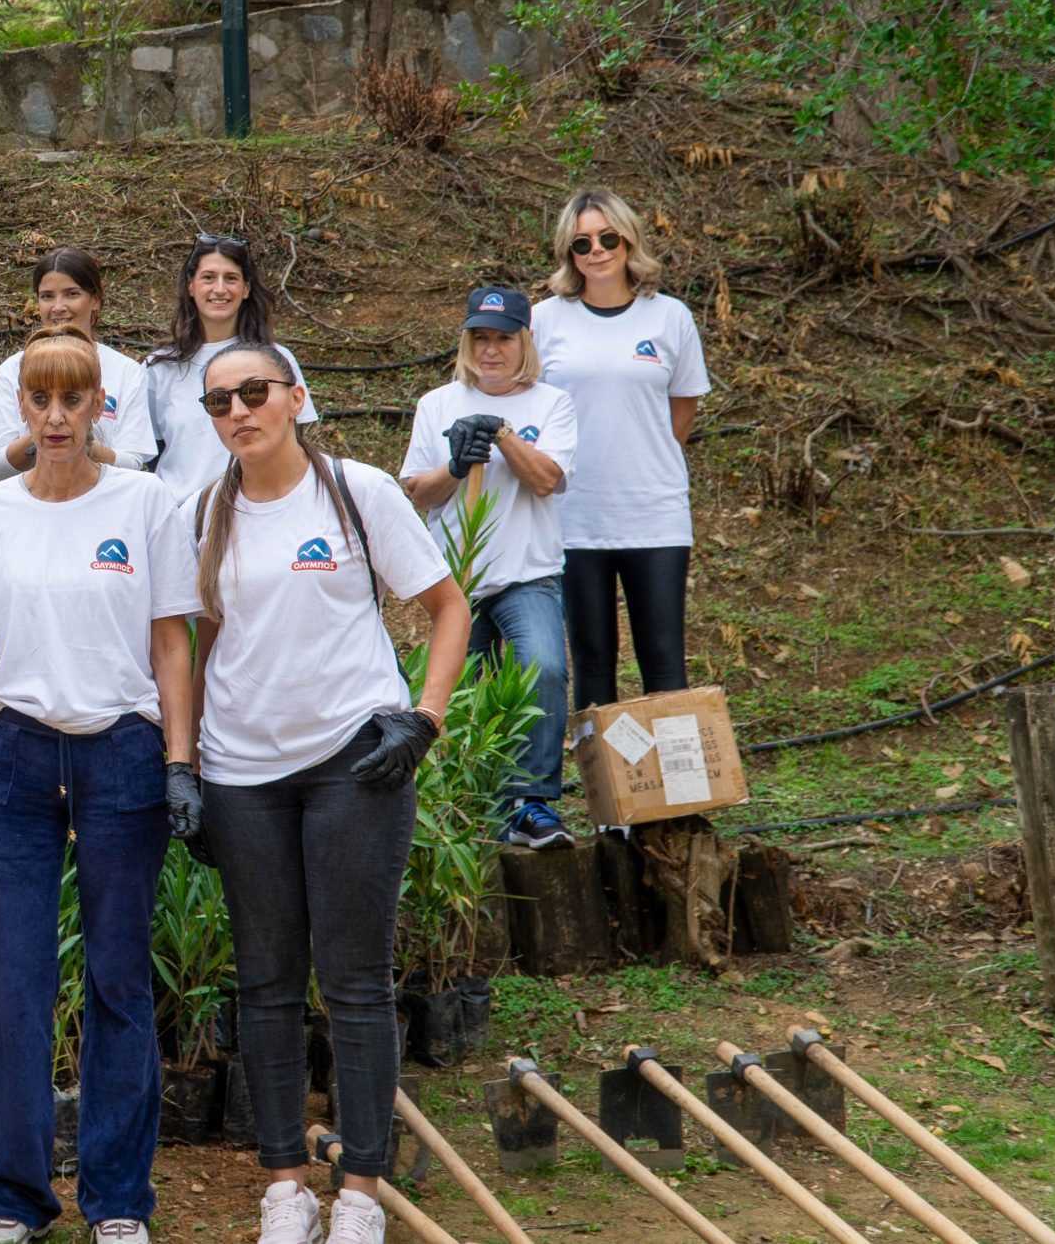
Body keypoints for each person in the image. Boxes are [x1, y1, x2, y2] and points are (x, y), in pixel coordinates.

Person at [183, 346, 470, 1244]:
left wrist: (423, 715)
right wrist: (183, 764)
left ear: (296, 397)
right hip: (240, 772)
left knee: (356, 981)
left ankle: (358, 1193)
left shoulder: (357, 490)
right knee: (265, 984)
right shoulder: (208, 508)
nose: (239, 410)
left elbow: (447, 605)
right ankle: (285, 1187)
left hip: (356, 760)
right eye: (220, 399)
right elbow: (197, 644)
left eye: (255, 392)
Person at [0, 328, 200, 1244]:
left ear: (100, 408)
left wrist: (178, 759)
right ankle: (16, 1194)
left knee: (119, 977)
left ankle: (119, 1196)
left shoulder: (147, 502)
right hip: (13, 754)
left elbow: (173, 641)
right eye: (40, 401)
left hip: (121, 752)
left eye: (72, 400)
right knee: (16, 981)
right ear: (22, 409)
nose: (55, 417)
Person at [398, 289, 579, 850]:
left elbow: (549, 478)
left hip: (529, 572)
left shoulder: (553, 404)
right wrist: (455, 465)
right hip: (457, 578)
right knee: (456, 686)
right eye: (481, 337)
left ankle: (532, 803)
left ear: (524, 340)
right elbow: (416, 491)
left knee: (543, 668)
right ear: (467, 342)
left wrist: (501, 433)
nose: (491, 349)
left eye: (503, 337)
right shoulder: (437, 403)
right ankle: (467, 798)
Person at [530, 190, 711, 708]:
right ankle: (607, 789)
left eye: (608, 238)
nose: (597, 250)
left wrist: (644, 454)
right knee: (592, 663)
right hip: (574, 515)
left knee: (664, 661)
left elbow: (682, 406)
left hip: (654, 514)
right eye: (583, 242)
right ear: (569, 251)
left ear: (629, 240)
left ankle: (674, 789)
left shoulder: (669, 316)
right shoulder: (546, 320)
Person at [144, 234, 319, 508]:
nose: (220, 289)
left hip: (255, 511)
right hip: (179, 517)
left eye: (231, 278)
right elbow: (149, 453)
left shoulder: (276, 359)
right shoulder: (160, 366)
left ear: (247, 289)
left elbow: (292, 443)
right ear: (190, 286)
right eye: (208, 278)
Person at [0, 249, 157, 482]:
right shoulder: (11, 371)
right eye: (47, 296)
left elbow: (132, 463)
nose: (58, 307)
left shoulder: (125, 371)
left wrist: (78, 439)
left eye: (71, 294)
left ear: (94, 300)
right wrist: (43, 433)